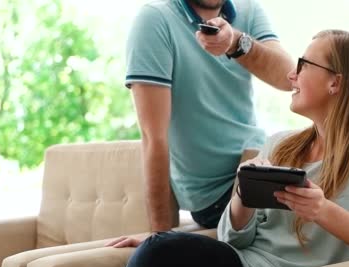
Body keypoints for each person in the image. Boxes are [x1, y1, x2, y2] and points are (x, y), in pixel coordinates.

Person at [46, 30, 349, 267]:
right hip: (245, 264)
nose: (292, 75)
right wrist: (243, 196)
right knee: (158, 249)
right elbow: (234, 240)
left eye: (303, 65)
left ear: (337, 81)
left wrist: (322, 210)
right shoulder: (282, 144)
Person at [126, 0, 294, 233]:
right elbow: (154, 137)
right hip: (216, 195)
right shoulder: (155, 20)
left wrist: (235, 42)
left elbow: (287, 78)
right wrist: (160, 237)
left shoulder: (249, 11)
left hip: (259, 158)